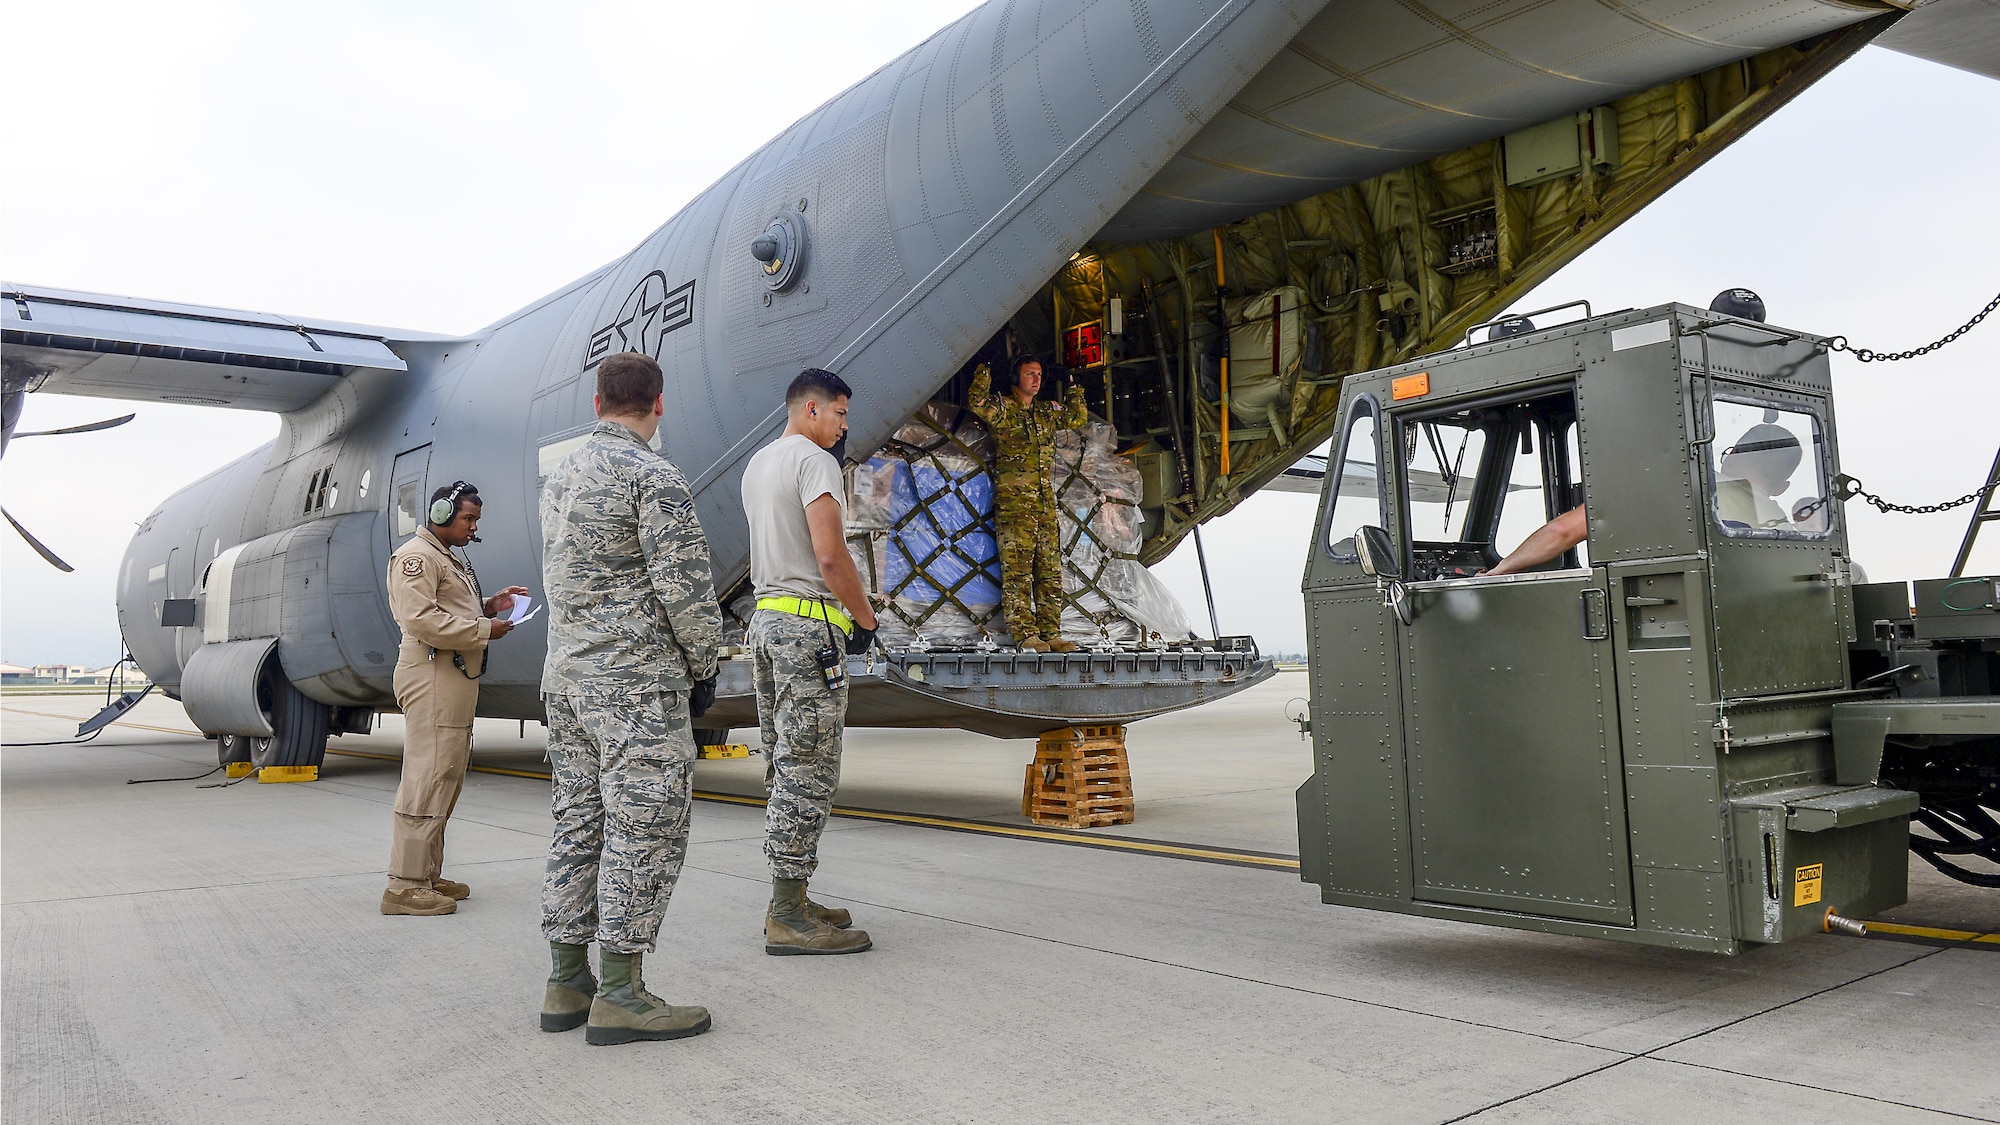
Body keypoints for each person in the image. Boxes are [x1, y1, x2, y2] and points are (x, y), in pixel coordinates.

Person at [539, 351, 722, 1046]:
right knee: (643, 830)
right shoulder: (653, 474)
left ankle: (566, 980)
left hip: (568, 684)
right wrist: (702, 663)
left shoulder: (560, 478)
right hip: (636, 687)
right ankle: (620, 991)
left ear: (595, 404)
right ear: (659, 404)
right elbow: (685, 586)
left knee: (576, 826)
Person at [741, 367, 878, 956]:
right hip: (808, 627)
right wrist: (865, 619)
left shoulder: (759, 462)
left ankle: (787, 896)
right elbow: (829, 555)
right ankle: (790, 913)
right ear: (813, 409)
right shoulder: (816, 463)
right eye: (841, 413)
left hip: (767, 621)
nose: (846, 425)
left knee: (782, 759)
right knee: (810, 763)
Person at [382, 481, 526, 917]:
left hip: (451, 676)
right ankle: (404, 885)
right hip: (432, 675)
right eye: (468, 518)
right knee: (427, 774)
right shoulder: (416, 557)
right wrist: (484, 631)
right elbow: (421, 619)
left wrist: (489, 606)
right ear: (442, 513)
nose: (473, 527)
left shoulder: (445, 559)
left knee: (446, 773)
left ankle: (426, 873)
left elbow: (449, 611)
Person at [966, 355, 1088, 652]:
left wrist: (1071, 383)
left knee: (1049, 570)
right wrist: (986, 368)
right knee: (1017, 571)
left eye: (1039, 374)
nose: (1035, 379)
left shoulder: (1046, 412)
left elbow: (1077, 416)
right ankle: (1026, 634)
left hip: (1044, 504)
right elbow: (977, 402)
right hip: (1015, 505)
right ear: (1015, 378)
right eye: (1029, 373)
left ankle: (1051, 632)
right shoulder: (1004, 409)